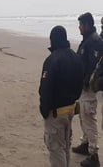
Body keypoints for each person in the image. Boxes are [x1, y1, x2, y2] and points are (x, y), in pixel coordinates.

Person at [40, 25, 84, 167]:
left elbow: (45, 88)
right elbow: (80, 84)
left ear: (53, 40)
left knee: (56, 149)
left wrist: (44, 109)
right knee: (65, 147)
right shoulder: (76, 58)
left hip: (56, 113)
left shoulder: (52, 60)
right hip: (70, 109)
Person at [72, 12, 103, 167]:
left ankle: (94, 154)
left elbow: (94, 66)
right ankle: (85, 144)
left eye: (81, 25)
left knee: (89, 118)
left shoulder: (95, 41)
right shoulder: (88, 41)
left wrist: (87, 81)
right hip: (83, 87)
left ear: (88, 25)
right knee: (84, 116)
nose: (79, 27)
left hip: (89, 87)